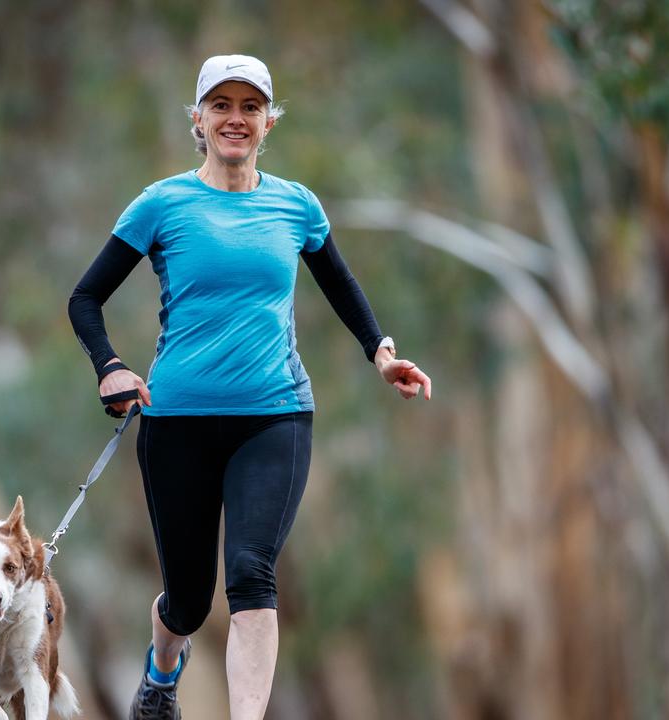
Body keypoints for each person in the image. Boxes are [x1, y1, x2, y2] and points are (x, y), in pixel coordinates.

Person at [68, 54, 432, 720]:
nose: (236, 119)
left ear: (268, 121)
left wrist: (380, 353)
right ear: (199, 120)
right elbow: (86, 297)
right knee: (187, 599)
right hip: (176, 420)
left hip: (274, 416)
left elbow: (342, 286)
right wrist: (110, 366)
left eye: (250, 107)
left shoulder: (295, 204)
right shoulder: (163, 203)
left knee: (251, 575)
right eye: (222, 106)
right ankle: (162, 670)